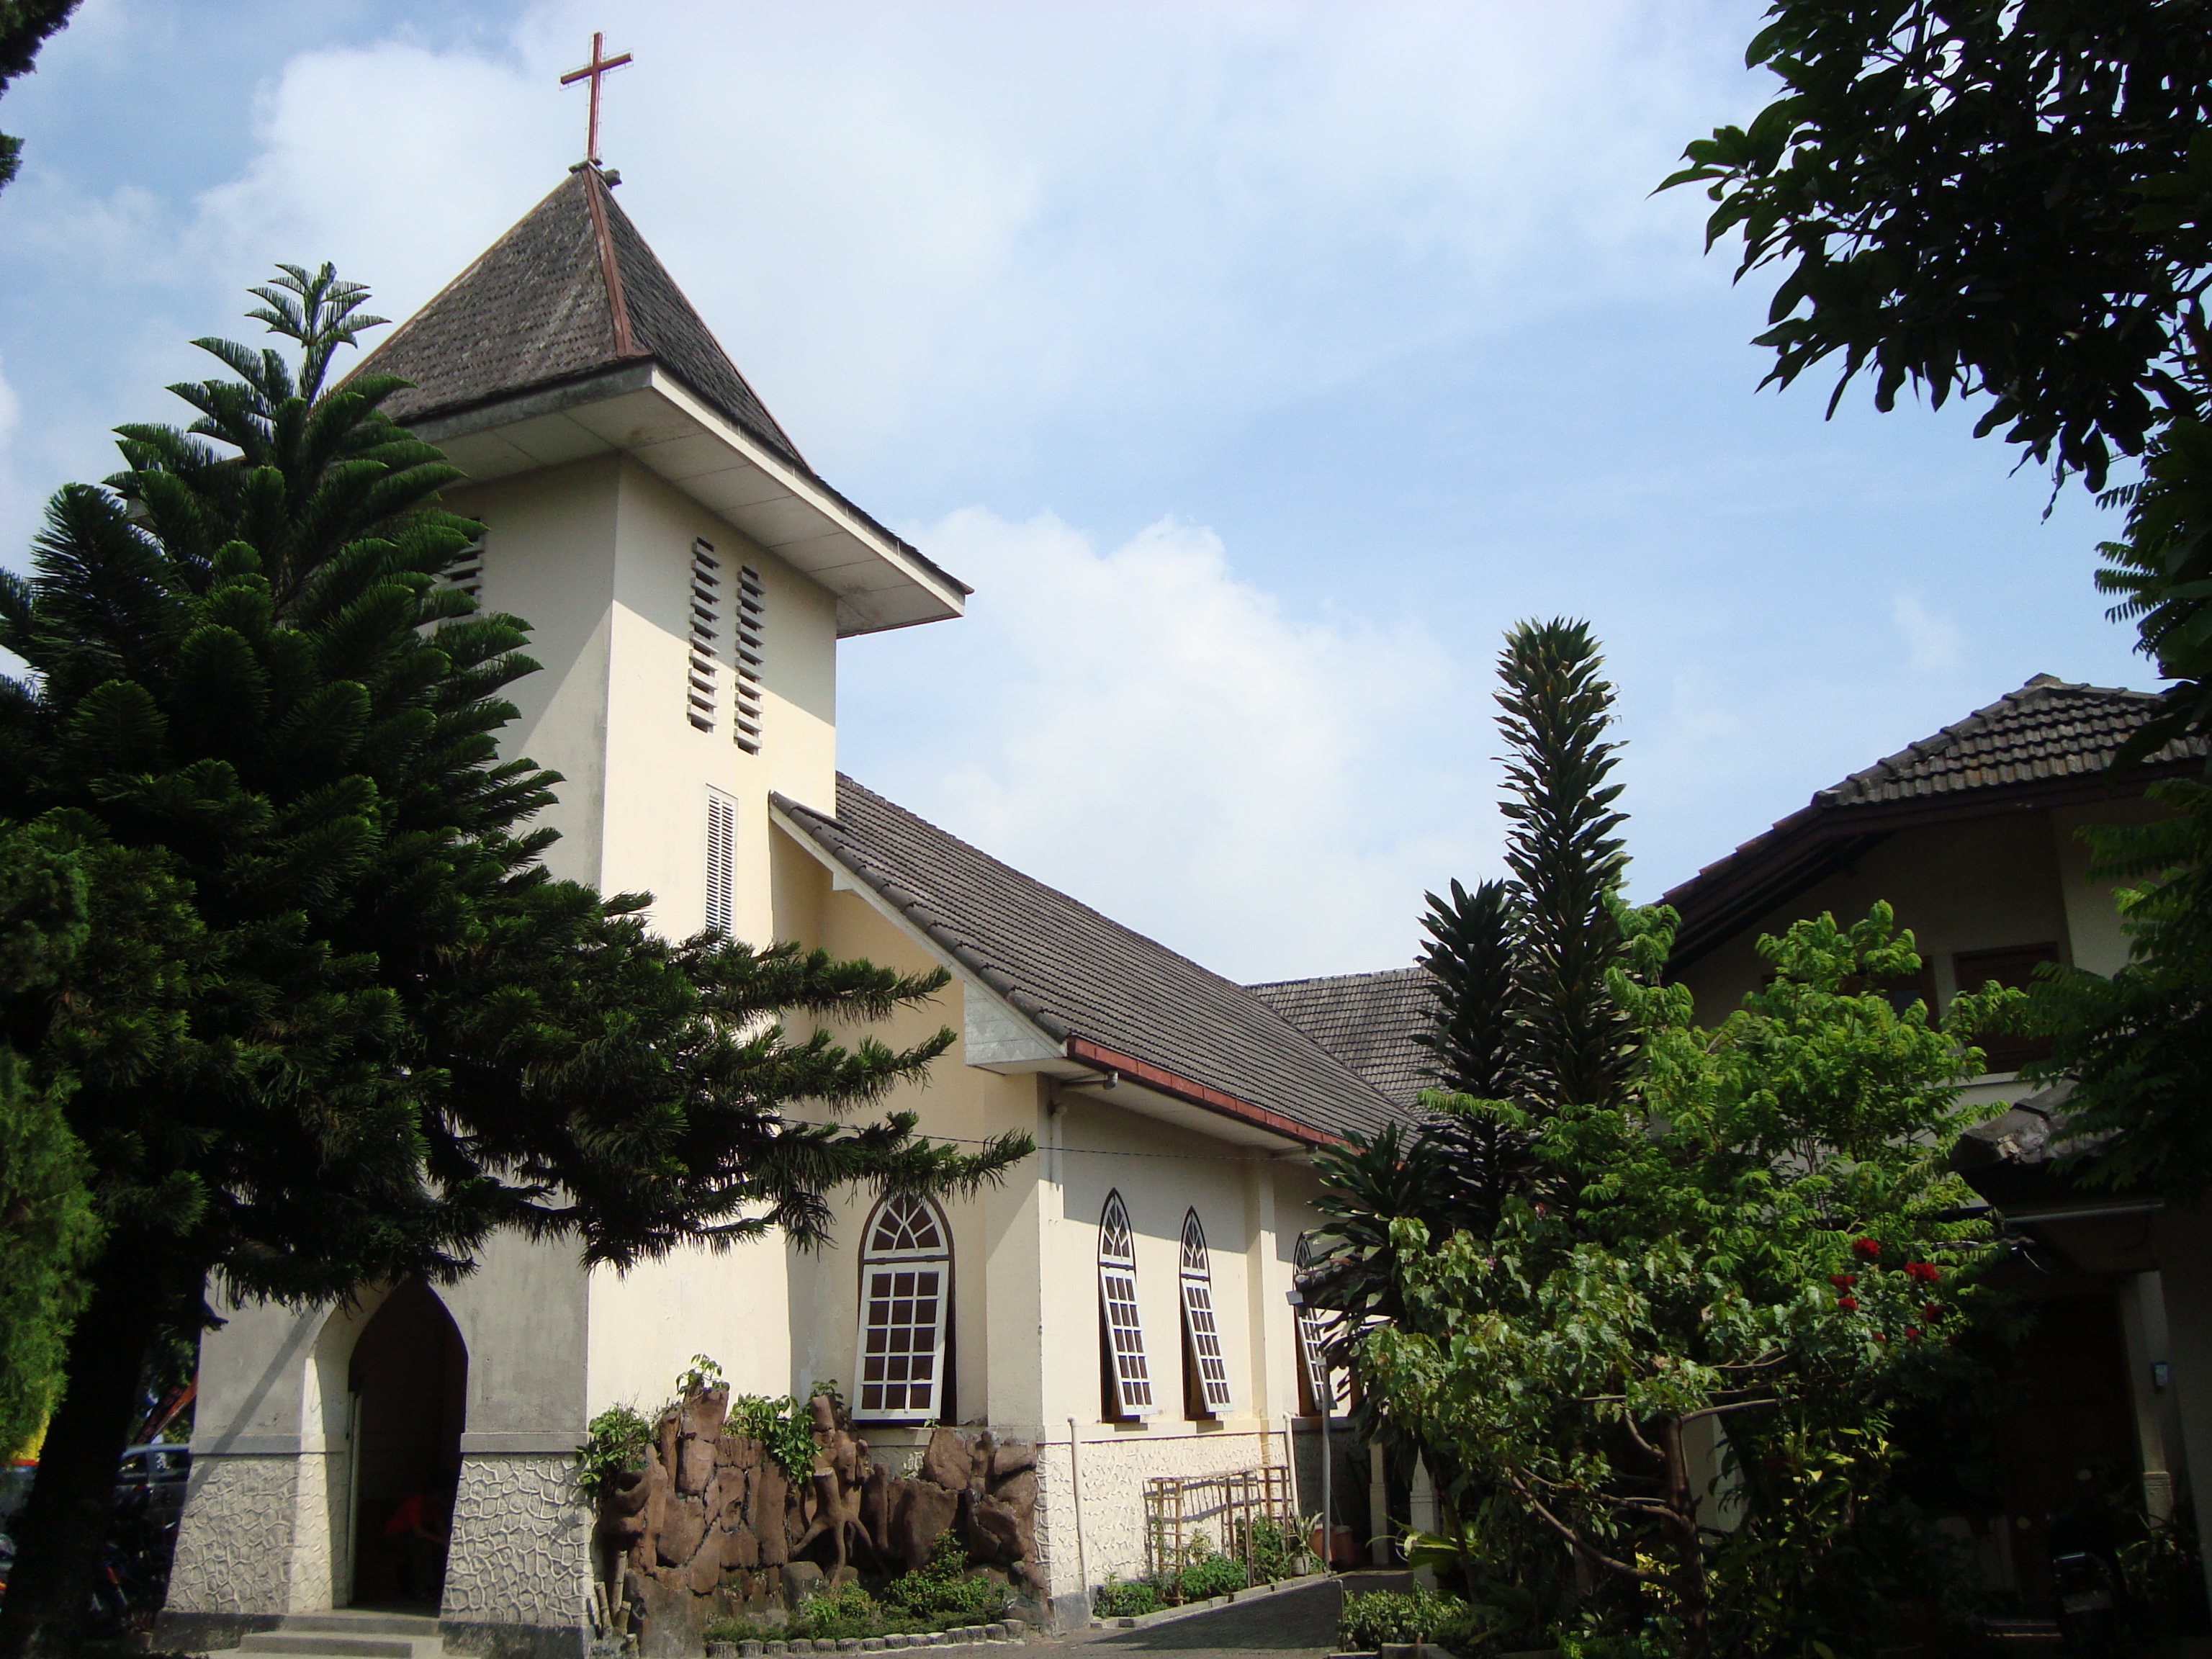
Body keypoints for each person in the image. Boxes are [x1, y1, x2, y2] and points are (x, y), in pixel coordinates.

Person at [382, 1482, 451, 1605]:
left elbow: (441, 1529)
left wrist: (449, 1542)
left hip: (412, 1538)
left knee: (436, 1549)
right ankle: (423, 1589)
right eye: (443, 1494)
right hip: (394, 1537)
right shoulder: (415, 1502)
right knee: (423, 1546)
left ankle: (441, 1587)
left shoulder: (435, 1507)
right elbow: (418, 1531)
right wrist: (441, 1541)